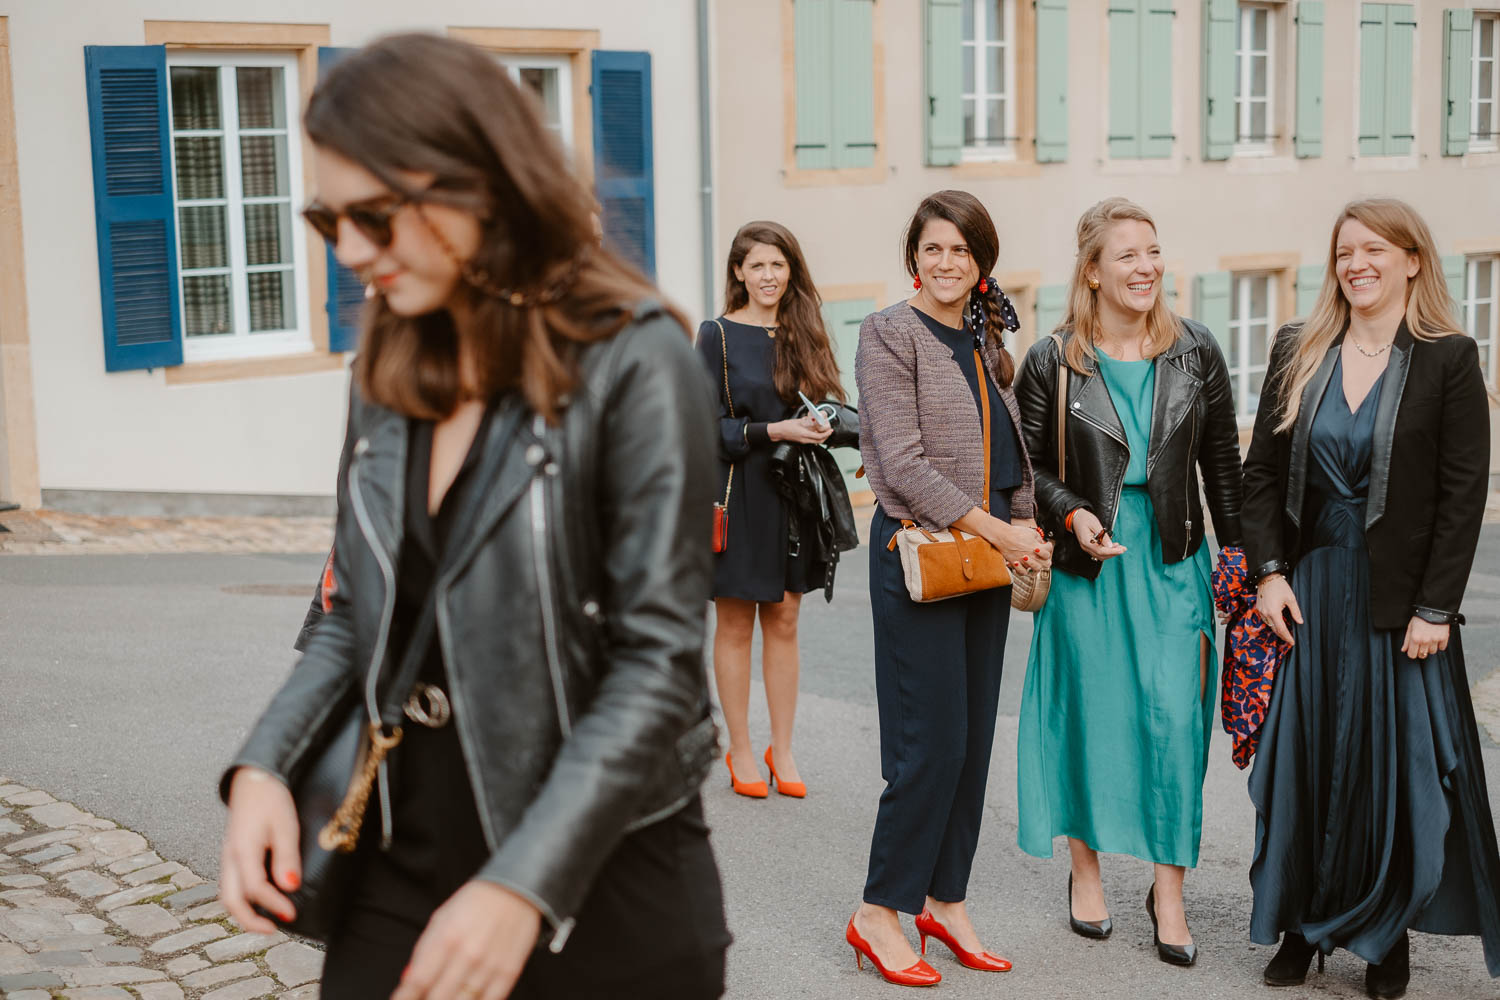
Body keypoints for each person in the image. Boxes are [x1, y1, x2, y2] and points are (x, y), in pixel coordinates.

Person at [215, 34, 729, 1000]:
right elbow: (351, 614)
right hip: (401, 869)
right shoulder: (387, 357)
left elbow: (656, 668)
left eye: (376, 216)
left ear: (478, 185)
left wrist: (522, 885)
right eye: (331, 221)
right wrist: (262, 768)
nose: (354, 253)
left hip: (603, 889)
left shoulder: (635, 359)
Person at [1242, 198, 1500, 998]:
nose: (1357, 263)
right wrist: (1269, 575)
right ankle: (1296, 926)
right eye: (1346, 251)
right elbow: (1258, 477)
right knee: (1305, 762)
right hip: (1310, 593)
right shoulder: (1299, 348)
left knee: (1398, 774)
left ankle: (1385, 938)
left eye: (1375, 249)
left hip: (1399, 607)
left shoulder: (1449, 359)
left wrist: (1435, 609)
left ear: (1413, 260)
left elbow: (1464, 497)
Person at [1012, 196, 1243, 968]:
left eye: (1152, 251)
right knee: (1089, 717)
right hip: (1089, 563)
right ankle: (1086, 872)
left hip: (1174, 556)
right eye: (1127, 255)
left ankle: (1168, 891)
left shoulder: (1196, 350)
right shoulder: (1052, 359)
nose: (1146, 267)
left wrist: (1241, 567)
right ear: (1092, 271)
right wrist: (1073, 514)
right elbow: (1030, 469)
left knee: (1176, 724)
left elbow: (1224, 472)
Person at [848, 190, 1047, 987]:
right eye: (933, 248)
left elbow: (1010, 453)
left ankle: (945, 900)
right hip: (925, 557)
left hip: (988, 562)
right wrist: (1001, 531)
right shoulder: (889, 333)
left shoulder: (984, 335)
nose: (946, 263)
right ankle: (877, 912)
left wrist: (1025, 529)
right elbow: (899, 461)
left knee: (969, 747)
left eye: (961, 251)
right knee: (928, 747)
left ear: (980, 262)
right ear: (914, 256)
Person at [696, 221, 851, 799]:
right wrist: (771, 429)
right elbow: (702, 426)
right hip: (738, 492)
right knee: (736, 623)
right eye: (757, 265)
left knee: (785, 620)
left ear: (791, 271)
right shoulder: (716, 335)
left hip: (796, 493)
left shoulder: (803, 329)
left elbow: (831, 400)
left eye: (778, 265)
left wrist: (827, 422)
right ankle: (739, 747)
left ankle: (781, 747)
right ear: (738, 271)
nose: (768, 276)